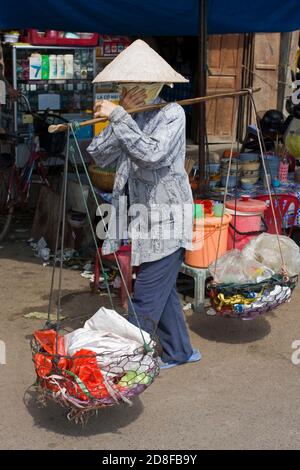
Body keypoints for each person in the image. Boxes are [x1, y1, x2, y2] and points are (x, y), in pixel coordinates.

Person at [88, 40, 201, 369]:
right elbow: (100, 153)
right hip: (143, 222)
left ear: (151, 86)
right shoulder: (131, 118)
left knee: (145, 300)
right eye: (125, 87)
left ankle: (120, 367)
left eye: (134, 86)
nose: (128, 91)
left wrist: (121, 116)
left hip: (168, 222)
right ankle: (180, 351)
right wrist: (120, 118)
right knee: (162, 296)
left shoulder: (172, 114)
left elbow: (152, 155)